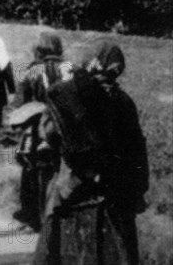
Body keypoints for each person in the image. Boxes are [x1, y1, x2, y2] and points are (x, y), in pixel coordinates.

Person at [33, 42, 149, 265]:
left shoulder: (68, 93)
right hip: (115, 191)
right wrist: (137, 191)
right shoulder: (124, 101)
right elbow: (137, 151)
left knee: (58, 246)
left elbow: (49, 134)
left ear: (92, 63)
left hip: (73, 187)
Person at [11, 32, 69, 232]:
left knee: (30, 171)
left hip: (34, 128)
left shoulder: (29, 70)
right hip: (61, 127)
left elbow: (19, 103)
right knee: (54, 173)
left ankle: (30, 217)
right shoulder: (67, 68)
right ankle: (50, 219)